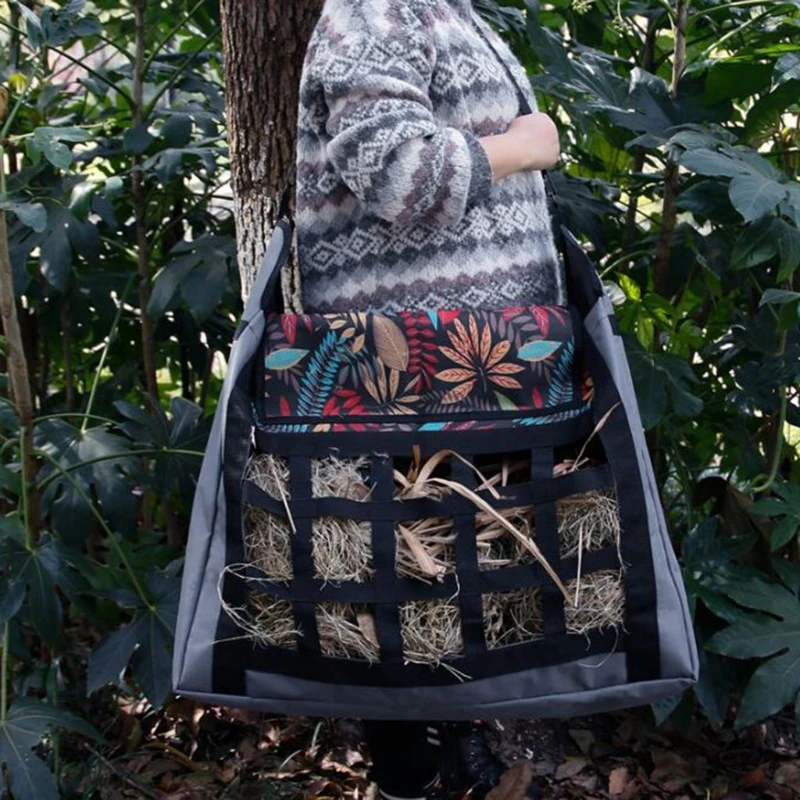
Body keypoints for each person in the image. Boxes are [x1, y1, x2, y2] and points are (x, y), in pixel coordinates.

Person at [292, 0, 562, 796]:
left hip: (474, 363)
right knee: (399, 575)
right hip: (412, 367)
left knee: (454, 575)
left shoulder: (441, 11)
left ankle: (454, 751)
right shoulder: (371, 13)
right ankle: (411, 778)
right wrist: (526, 145)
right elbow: (402, 175)